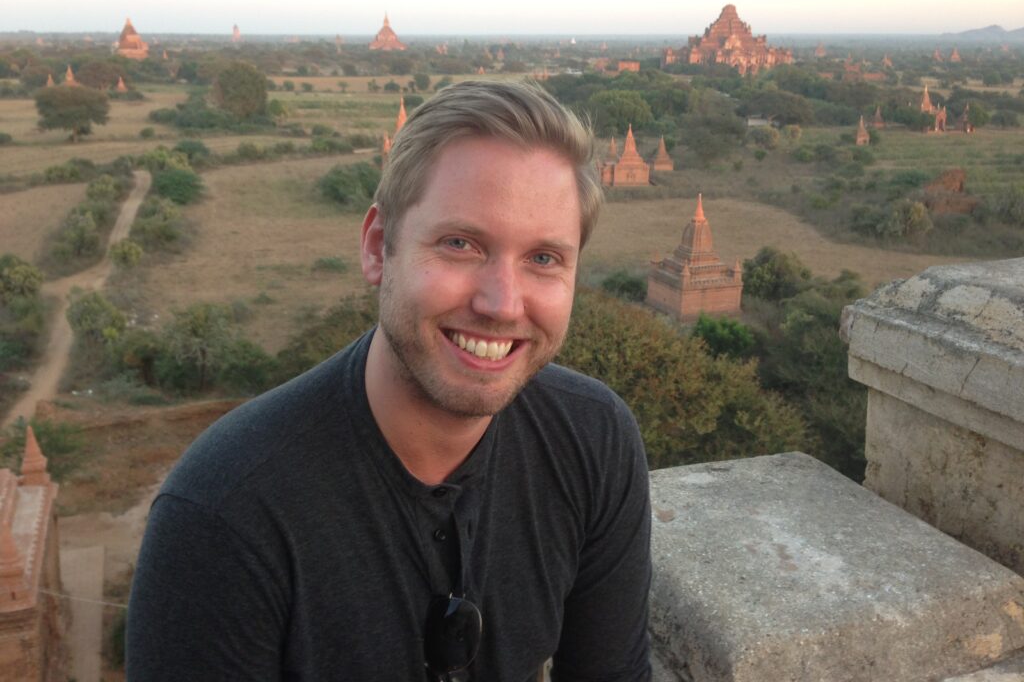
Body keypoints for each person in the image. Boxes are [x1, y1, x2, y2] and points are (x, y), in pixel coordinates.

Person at [126, 80, 652, 681]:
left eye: (543, 259)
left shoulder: (592, 441)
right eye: (460, 244)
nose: (503, 304)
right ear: (379, 248)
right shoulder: (228, 513)